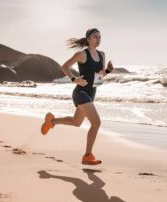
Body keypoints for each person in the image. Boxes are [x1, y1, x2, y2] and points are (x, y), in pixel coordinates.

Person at [41, 28, 113, 165]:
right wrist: (74, 79)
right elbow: (64, 67)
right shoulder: (82, 54)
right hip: (80, 93)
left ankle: (51, 122)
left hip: (91, 94)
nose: (98, 39)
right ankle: (87, 155)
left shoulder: (102, 55)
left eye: (100, 36)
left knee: (76, 122)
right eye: (95, 36)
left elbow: (98, 79)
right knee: (96, 123)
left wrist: (108, 71)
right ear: (89, 39)